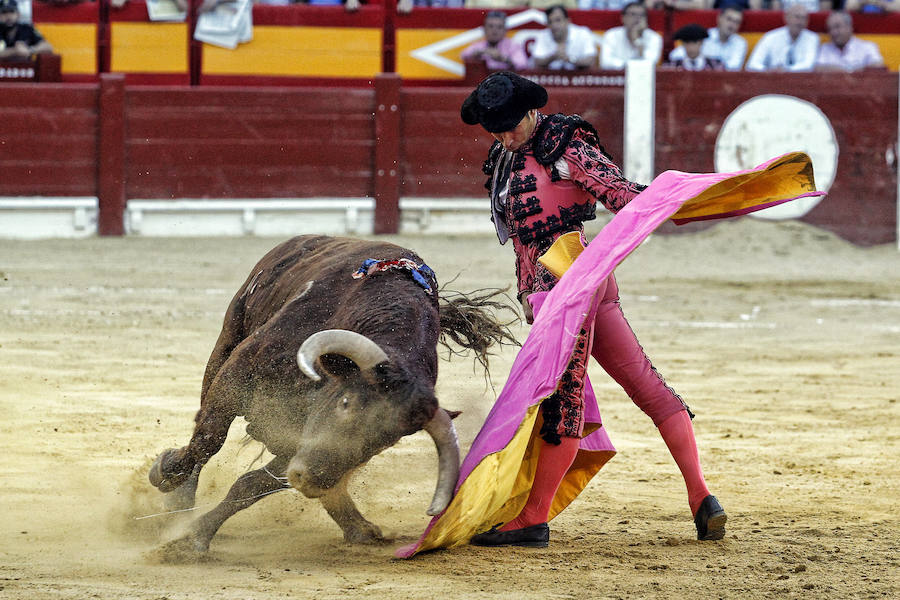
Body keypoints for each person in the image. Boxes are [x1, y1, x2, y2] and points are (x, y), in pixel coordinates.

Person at [460, 71, 727, 547]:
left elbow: (619, 193)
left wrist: (675, 199)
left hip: (571, 287)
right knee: (643, 383)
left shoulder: (563, 144)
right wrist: (527, 295)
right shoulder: (507, 154)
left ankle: (535, 518)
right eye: (494, 128)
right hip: (568, 285)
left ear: (530, 112)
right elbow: (521, 240)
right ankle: (702, 500)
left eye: (509, 125)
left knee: (564, 397)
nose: (503, 135)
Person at [745, 4, 819, 71]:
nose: (800, 22)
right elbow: (752, 64)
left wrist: (786, 70)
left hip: (801, 82)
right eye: (797, 17)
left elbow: (809, 65)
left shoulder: (812, 38)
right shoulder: (770, 37)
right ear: (786, 18)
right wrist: (768, 71)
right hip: (771, 80)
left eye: (804, 18)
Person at [531, 4, 598, 71]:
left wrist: (570, 59)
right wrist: (553, 57)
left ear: (567, 21)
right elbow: (537, 61)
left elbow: (591, 60)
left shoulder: (583, 33)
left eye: (558, 20)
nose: (554, 25)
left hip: (579, 79)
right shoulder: (543, 35)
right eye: (550, 22)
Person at [599, 2, 662, 70]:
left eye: (641, 15)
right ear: (623, 18)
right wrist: (628, 66)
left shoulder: (654, 37)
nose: (637, 18)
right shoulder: (611, 35)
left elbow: (651, 62)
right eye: (633, 14)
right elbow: (605, 63)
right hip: (617, 77)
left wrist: (637, 41)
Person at [460, 10, 529, 72]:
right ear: (484, 29)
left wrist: (503, 59)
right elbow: (464, 55)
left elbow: (522, 64)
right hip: (484, 83)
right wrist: (484, 51)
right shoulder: (479, 45)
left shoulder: (513, 46)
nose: (494, 30)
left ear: (505, 30)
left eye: (499, 27)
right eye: (490, 26)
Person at [815, 10, 885, 71]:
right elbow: (818, 69)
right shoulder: (825, 48)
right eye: (830, 29)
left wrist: (848, 72)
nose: (833, 32)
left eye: (837, 27)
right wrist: (849, 71)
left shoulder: (867, 47)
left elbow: (878, 66)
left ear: (849, 27)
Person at [699, 4, 748, 71]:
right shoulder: (704, 36)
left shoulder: (740, 43)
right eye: (729, 19)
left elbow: (733, 68)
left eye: (736, 22)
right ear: (719, 18)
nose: (732, 25)